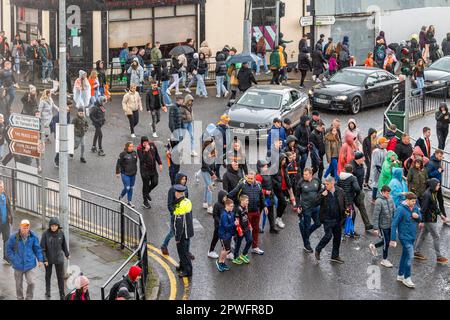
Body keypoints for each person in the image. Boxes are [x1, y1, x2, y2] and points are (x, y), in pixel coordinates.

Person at [228, 171, 267, 255]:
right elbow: (234, 192)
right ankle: (236, 245)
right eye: (248, 178)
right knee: (242, 230)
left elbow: (261, 197)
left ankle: (255, 247)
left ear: (255, 178)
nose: (249, 180)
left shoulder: (259, 184)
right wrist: (225, 198)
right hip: (245, 212)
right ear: (246, 177)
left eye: (251, 178)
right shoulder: (242, 184)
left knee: (256, 229)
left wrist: (264, 206)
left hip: (256, 211)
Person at [390, 193, 422, 289]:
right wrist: (392, 239)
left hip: (412, 236)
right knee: (410, 256)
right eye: (412, 201)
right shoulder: (401, 209)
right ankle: (407, 278)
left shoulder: (415, 207)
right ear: (407, 200)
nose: (414, 203)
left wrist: (418, 217)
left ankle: (400, 275)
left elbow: (420, 218)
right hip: (404, 237)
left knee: (405, 255)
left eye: (415, 201)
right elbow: (394, 224)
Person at [6, 219, 44, 300]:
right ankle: (20, 298)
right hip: (18, 265)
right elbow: (8, 249)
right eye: (23, 227)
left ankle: (29, 298)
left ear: (29, 228)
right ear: (20, 227)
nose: (25, 229)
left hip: (29, 264)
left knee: (31, 282)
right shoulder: (13, 237)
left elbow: (37, 249)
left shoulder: (33, 237)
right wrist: (14, 259)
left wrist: (40, 260)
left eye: (27, 228)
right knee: (18, 285)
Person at [414, 178, 448, 264]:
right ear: (433, 185)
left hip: (430, 218)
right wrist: (421, 221)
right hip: (429, 220)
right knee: (436, 237)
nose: (439, 186)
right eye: (438, 185)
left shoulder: (433, 192)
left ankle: (416, 251)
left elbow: (434, 206)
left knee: (422, 235)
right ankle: (439, 257)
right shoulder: (427, 195)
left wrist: (441, 215)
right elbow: (423, 209)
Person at [315, 177, 346, 263]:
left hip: (337, 219)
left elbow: (344, 202)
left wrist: (346, 212)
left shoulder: (340, 191)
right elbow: (316, 202)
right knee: (328, 236)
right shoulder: (323, 191)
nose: (325, 186)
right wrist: (322, 196)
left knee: (337, 238)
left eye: (327, 184)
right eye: (325, 184)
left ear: (332, 184)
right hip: (327, 219)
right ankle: (318, 249)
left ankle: (335, 256)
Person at [40, 217, 70, 300]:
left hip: (59, 259)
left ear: (58, 226)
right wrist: (44, 259)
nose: (54, 227)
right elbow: (42, 248)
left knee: (60, 277)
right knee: (48, 275)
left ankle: (62, 294)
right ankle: (48, 291)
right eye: (52, 226)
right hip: (48, 260)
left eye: (55, 226)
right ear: (50, 226)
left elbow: (64, 245)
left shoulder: (61, 233)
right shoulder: (45, 234)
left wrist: (67, 254)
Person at [161, 173, 189, 256]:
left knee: (183, 232)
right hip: (176, 214)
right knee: (173, 232)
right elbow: (169, 204)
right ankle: (164, 245)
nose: (184, 181)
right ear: (178, 179)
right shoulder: (172, 189)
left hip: (184, 214)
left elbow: (187, 200)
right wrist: (174, 213)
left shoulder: (186, 188)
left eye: (185, 179)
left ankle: (184, 251)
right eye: (182, 179)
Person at [296, 167, 322, 253]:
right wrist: (298, 205)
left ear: (311, 174)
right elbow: (297, 196)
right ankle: (306, 244)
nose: (304, 176)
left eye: (306, 174)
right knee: (307, 225)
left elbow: (319, 191)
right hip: (306, 208)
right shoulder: (301, 182)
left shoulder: (316, 180)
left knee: (318, 223)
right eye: (304, 174)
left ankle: (306, 234)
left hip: (316, 207)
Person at [369, 185, 395, 267]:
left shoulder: (390, 199)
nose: (389, 195)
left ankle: (374, 246)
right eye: (387, 193)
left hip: (390, 224)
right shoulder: (378, 201)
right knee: (386, 242)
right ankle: (384, 260)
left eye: (389, 193)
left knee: (385, 240)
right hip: (383, 225)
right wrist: (376, 228)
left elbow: (394, 210)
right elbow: (376, 216)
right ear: (383, 192)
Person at [173, 184, 194, 278]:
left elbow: (179, 224)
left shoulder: (180, 205)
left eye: (176, 192)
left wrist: (177, 237)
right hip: (188, 232)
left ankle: (187, 271)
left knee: (183, 252)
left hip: (182, 234)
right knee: (184, 251)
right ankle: (182, 266)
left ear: (178, 193)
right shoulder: (187, 201)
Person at [137, 136, 162, 209]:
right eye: (143, 143)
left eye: (146, 142)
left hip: (153, 169)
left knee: (155, 182)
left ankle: (147, 192)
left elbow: (156, 155)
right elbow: (142, 160)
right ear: (141, 143)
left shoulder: (152, 145)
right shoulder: (139, 148)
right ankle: (145, 201)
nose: (145, 144)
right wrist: (146, 151)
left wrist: (160, 163)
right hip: (145, 170)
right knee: (145, 185)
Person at [351, 152, 374, 231]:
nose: (364, 159)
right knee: (351, 212)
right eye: (363, 157)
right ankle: (348, 228)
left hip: (359, 191)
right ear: (359, 159)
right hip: (351, 192)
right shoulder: (352, 167)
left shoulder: (361, 165)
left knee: (362, 207)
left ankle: (367, 224)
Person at [116, 142, 138, 208]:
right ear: (127, 147)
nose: (132, 148)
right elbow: (118, 163)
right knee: (127, 187)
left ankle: (129, 201)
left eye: (132, 146)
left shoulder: (134, 153)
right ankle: (121, 196)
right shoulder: (122, 154)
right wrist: (117, 172)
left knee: (131, 187)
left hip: (133, 174)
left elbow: (135, 162)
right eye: (130, 146)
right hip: (125, 174)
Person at [232, 195, 253, 265]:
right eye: (247, 201)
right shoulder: (238, 209)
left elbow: (246, 217)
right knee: (238, 243)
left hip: (246, 228)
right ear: (242, 201)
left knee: (250, 240)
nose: (248, 202)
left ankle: (243, 254)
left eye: (248, 200)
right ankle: (235, 257)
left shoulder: (245, 207)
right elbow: (237, 220)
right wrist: (239, 230)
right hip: (241, 229)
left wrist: (249, 224)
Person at [215, 199, 235, 272]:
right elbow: (226, 226)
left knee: (227, 250)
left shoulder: (231, 213)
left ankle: (223, 262)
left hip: (229, 235)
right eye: (231, 206)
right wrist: (234, 224)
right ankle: (219, 262)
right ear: (226, 205)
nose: (232, 208)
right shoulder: (224, 215)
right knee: (225, 249)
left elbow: (232, 223)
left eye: (233, 206)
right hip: (224, 235)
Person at [426, 149, 447, 217]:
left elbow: (438, 170)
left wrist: (441, 170)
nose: (441, 158)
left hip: (438, 184)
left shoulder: (438, 161)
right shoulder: (431, 163)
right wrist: (438, 171)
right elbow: (428, 174)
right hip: (433, 186)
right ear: (435, 154)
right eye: (440, 156)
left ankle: (444, 216)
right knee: (433, 201)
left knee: (440, 200)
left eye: (442, 156)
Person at [201, 138, 217, 214]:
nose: (214, 143)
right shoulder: (205, 152)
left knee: (207, 187)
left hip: (209, 171)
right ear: (209, 143)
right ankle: (210, 207)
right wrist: (212, 173)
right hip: (206, 172)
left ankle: (205, 202)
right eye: (213, 142)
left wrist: (213, 170)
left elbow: (213, 162)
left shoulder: (211, 150)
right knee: (211, 188)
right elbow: (205, 164)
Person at [0, 180, 12, 264]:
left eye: (2, 186)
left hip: (5, 222)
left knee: (7, 240)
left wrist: (10, 217)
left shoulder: (5, 195)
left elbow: (9, 208)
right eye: (0, 187)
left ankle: (6, 257)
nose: (2, 188)